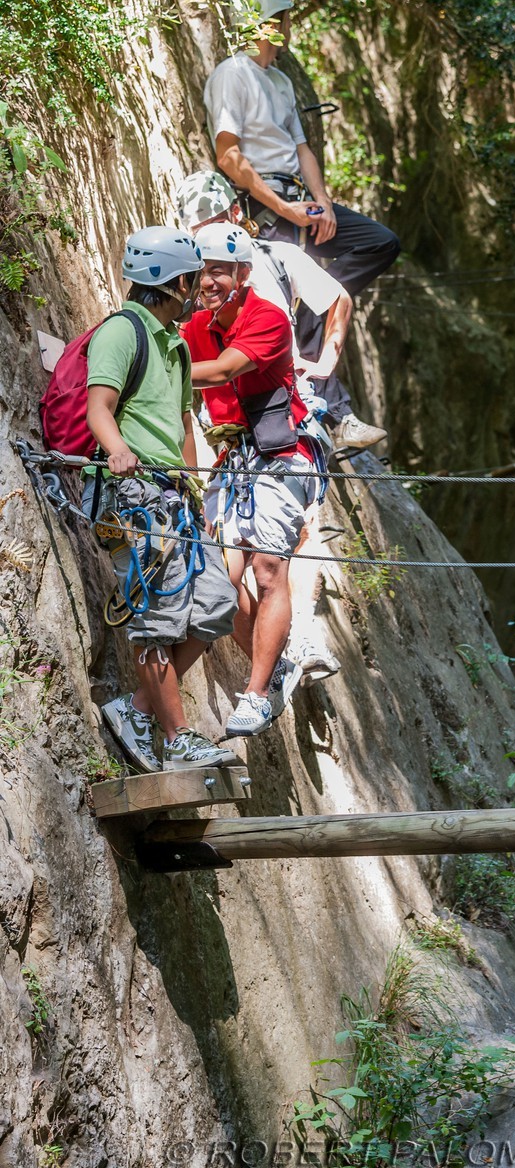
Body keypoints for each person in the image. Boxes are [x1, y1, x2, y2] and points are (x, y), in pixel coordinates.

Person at [202, 0, 401, 427]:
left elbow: (302, 148)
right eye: (286, 18)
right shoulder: (232, 75)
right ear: (271, 22)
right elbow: (229, 155)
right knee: (306, 295)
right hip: (264, 204)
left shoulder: (281, 81)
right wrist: (286, 208)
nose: (289, 26)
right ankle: (331, 408)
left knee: (379, 242)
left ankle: (314, 350)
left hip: (296, 198)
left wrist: (322, 202)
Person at [88, 227, 238, 772]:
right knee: (158, 616)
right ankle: (175, 737)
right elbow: (98, 407)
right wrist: (119, 450)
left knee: (217, 602)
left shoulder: (173, 345)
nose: (198, 290)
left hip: (174, 494)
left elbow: (180, 426)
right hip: (133, 494)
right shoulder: (121, 332)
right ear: (176, 280)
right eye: (193, 281)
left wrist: (193, 483)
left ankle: (136, 709)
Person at [181, 223, 317, 737]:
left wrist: (155, 366)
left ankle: (257, 694)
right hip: (234, 459)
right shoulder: (196, 326)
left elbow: (218, 373)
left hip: (284, 453)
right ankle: (276, 663)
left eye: (218, 270)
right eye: (202, 272)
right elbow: (182, 406)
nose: (208, 281)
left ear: (242, 272)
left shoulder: (268, 317)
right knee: (218, 576)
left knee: (266, 565)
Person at [174, 169, 387, 453]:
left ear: (236, 212)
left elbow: (340, 298)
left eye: (217, 222)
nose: (213, 234)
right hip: (226, 415)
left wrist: (325, 362)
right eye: (202, 229)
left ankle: (340, 418)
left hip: (281, 405)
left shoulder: (277, 256)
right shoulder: (195, 278)